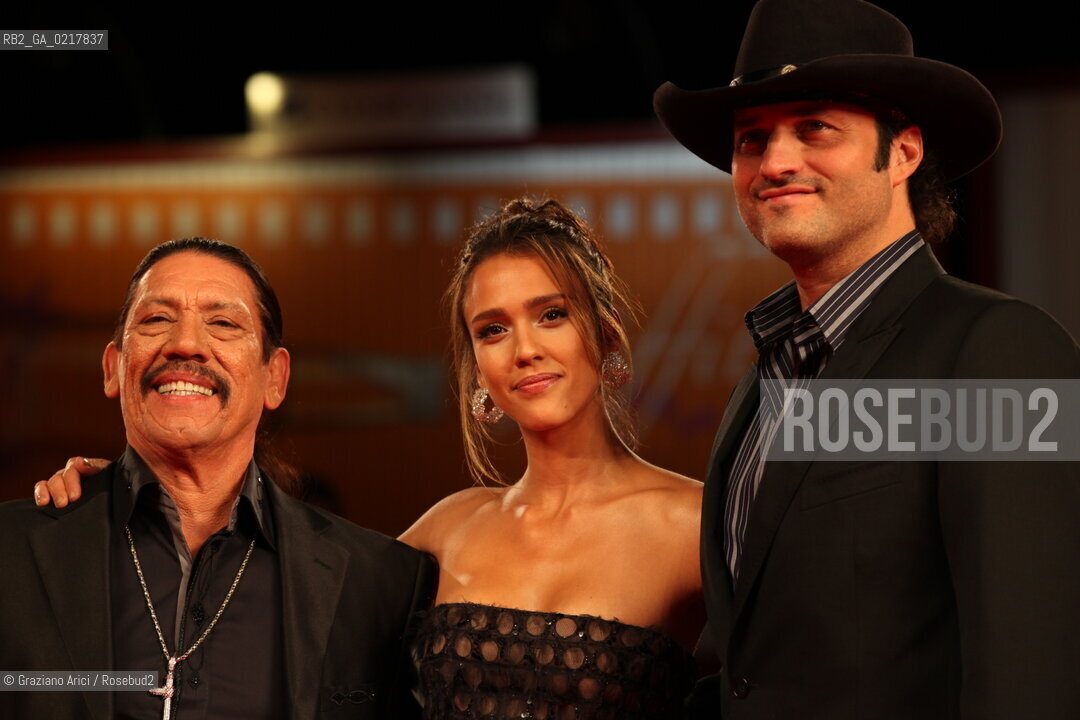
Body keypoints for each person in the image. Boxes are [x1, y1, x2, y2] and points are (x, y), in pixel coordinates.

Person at [35, 200, 706, 718]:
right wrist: (126, 498)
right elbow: (269, 573)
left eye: (551, 315)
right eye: (492, 330)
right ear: (477, 367)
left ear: (607, 334)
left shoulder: (697, 524)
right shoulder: (445, 533)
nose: (523, 348)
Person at [652, 0, 1080, 718]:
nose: (776, 161)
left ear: (904, 153)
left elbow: (1032, 668)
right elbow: (764, 668)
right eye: (752, 139)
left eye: (814, 127)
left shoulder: (999, 352)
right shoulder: (759, 384)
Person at [4, 238, 435, 719]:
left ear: (276, 378)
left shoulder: (380, 583)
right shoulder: (12, 552)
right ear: (113, 368)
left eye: (224, 323)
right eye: (156, 320)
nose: (186, 344)